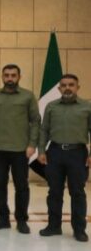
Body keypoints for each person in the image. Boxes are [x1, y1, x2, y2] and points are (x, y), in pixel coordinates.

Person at [0, 64, 40, 234]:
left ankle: (22, 220)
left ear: (19, 77)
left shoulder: (28, 96)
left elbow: (35, 121)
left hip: (20, 150)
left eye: (13, 75)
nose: (10, 78)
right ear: (2, 77)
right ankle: (3, 218)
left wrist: (32, 144)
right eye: (6, 75)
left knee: (21, 186)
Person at [38, 74, 91, 242]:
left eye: (71, 85)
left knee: (77, 192)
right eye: (64, 85)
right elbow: (44, 130)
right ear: (59, 88)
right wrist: (41, 151)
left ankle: (79, 229)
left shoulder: (87, 107)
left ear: (77, 87)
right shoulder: (51, 106)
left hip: (78, 154)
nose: (67, 88)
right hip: (55, 152)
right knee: (54, 191)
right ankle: (54, 226)